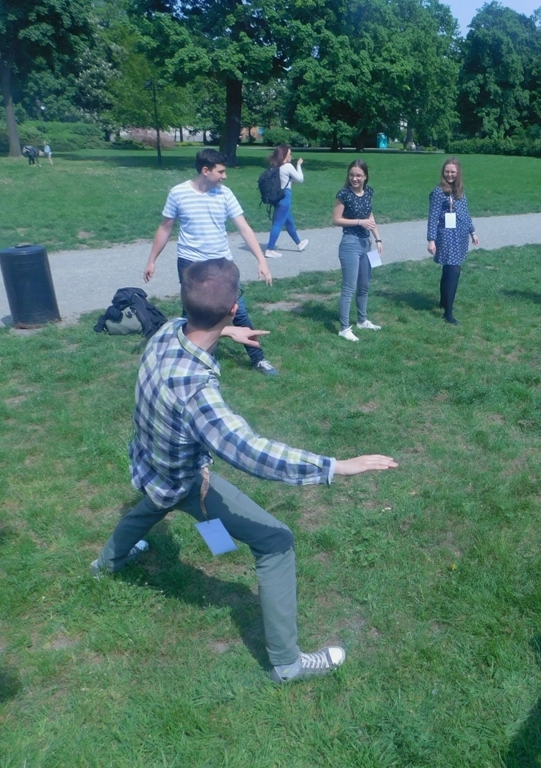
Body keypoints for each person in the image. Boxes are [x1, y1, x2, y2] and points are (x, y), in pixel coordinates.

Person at [91, 258, 398, 683]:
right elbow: (251, 452)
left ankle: (105, 565)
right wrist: (336, 466)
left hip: (150, 460)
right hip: (182, 477)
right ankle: (287, 664)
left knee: (153, 504)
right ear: (234, 308)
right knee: (276, 541)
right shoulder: (195, 392)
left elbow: (190, 325)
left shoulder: (164, 332)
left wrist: (224, 331)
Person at [142, 149, 279, 377]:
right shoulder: (178, 193)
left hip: (221, 265)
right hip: (190, 264)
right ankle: (189, 361)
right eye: (221, 171)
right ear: (205, 171)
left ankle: (258, 358)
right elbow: (165, 228)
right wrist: (151, 260)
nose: (225, 176)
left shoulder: (225, 194)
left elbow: (244, 227)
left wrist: (261, 259)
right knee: (191, 314)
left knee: (238, 312)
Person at [332, 159, 383, 342]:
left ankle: (362, 320)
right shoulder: (344, 194)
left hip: (366, 243)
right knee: (349, 287)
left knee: (365, 284)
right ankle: (344, 328)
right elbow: (336, 219)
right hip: (350, 244)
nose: (355, 178)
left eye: (358, 175)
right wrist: (359, 222)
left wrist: (378, 238)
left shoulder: (369, 192)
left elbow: (370, 215)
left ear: (365, 177)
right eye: (352, 175)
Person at [427, 157, 479, 326]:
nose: (450, 175)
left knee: (448, 270)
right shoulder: (438, 192)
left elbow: (465, 213)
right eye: (447, 171)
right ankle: (448, 314)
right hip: (447, 236)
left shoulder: (460, 191)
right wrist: (431, 239)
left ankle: (444, 302)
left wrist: (472, 232)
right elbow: (433, 217)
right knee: (454, 270)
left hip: (461, 235)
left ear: (458, 173)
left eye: (453, 172)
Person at [264, 144, 309, 259]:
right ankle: (270, 249)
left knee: (289, 221)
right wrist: (298, 165)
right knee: (278, 223)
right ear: (284, 155)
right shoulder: (288, 166)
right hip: (285, 197)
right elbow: (300, 179)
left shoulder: (275, 166)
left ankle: (299, 243)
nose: (291, 156)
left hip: (277, 197)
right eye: (289, 153)